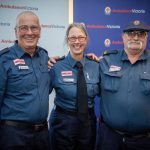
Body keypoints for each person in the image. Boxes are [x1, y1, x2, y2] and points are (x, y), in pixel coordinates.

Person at [0, 11, 51, 150]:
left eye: (34, 28)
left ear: (39, 31)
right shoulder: (4, 59)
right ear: (16, 31)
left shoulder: (44, 56)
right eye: (24, 28)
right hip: (14, 136)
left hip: (42, 135)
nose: (29, 32)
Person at [99, 20, 150, 150]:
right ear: (123, 36)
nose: (136, 37)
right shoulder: (106, 61)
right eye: (131, 33)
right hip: (110, 138)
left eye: (141, 34)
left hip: (144, 140)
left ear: (146, 38)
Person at [48, 23, 100, 150]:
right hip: (63, 122)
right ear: (67, 40)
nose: (77, 41)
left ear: (86, 40)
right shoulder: (55, 66)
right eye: (72, 38)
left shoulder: (96, 66)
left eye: (81, 37)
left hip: (88, 124)